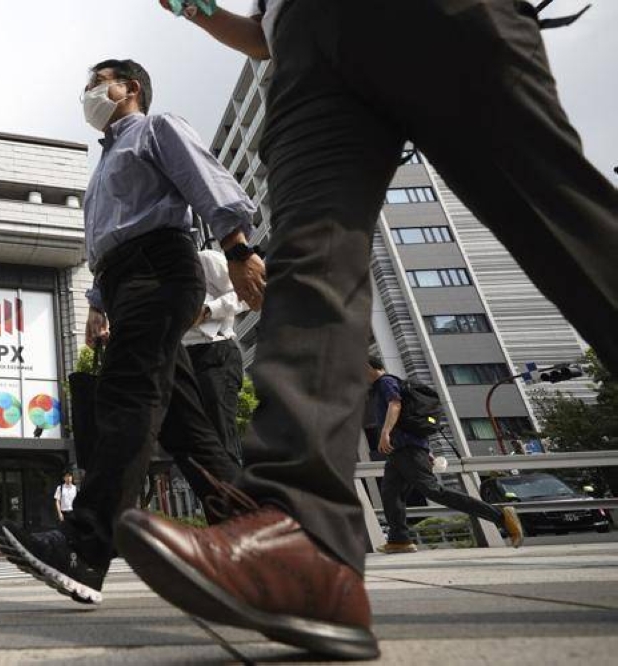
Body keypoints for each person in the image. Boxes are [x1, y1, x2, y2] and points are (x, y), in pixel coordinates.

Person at [114, 1, 618, 660]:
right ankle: (304, 547)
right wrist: (194, 7)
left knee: (561, 217)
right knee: (308, 268)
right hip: (305, 49)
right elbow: (261, 37)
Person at [0, 58, 253, 606]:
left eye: (96, 82)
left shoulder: (156, 129)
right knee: (186, 428)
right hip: (124, 282)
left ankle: (84, 545)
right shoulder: (106, 163)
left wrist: (237, 248)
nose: (88, 93)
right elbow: (107, 237)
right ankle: (254, 542)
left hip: (159, 269)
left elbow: (205, 180)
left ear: (129, 87)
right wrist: (97, 305)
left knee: (128, 396)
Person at [367, 355, 524, 554]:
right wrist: (425, 449)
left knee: (433, 491)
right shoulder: (384, 385)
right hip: (399, 451)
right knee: (390, 494)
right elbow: (409, 420)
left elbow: (395, 404)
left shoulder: (386, 382)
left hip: (407, 450)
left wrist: (385, 432)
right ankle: (399, 540)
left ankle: (500, 517)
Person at [166, 246, 247, 463]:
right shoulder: (156, 280)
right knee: (187, 443)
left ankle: (234, 484)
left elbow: (244, 293)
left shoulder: (206, 259)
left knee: (221, 437)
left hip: (214, 351)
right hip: (178, 359)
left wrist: (208, 310)